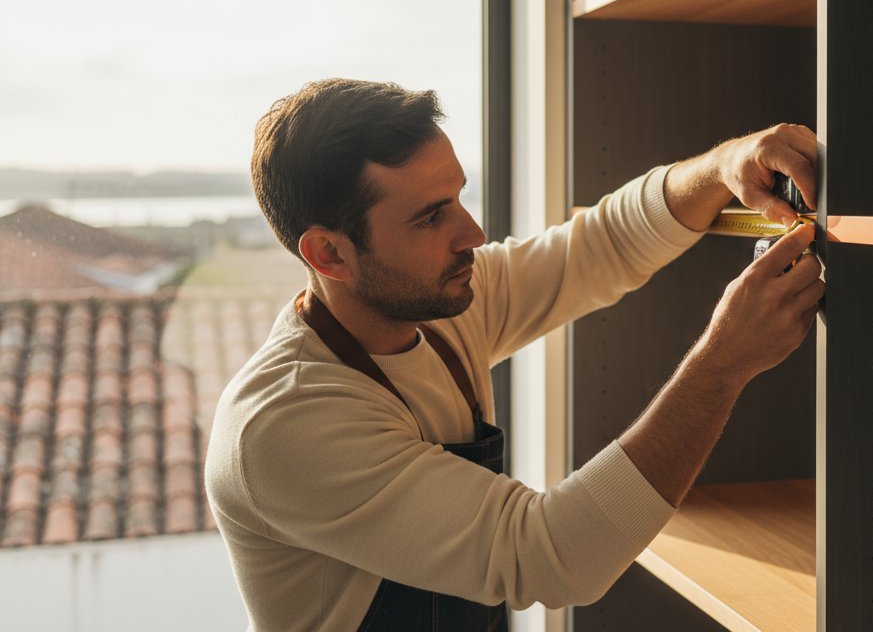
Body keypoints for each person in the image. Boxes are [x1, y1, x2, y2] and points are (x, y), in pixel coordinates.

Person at [204, 78, 824, 631]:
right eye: (430, 217)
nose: (472, 234)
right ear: (329, 255)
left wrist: (722, 167)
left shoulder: (437, 307)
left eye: (458, 196)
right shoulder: (287, 425)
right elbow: (551, 558)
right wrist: (722, 364)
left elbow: (601, 245)